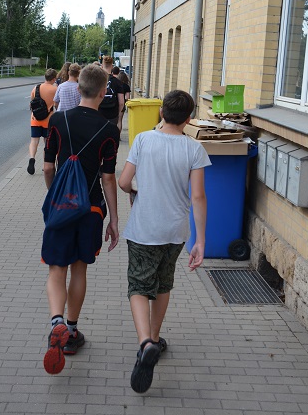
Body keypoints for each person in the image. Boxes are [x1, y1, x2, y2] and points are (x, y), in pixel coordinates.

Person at [118, 90, 211, 393]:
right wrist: (200, 240)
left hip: (144, 228)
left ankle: (145, 342)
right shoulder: (195, 149)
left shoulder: (143, 140)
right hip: (175, 231)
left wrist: (134, 190)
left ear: (161, 113)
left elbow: (124, 181)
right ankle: (155, 339)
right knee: (163, 283)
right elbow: (198, 196)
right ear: (188, 119)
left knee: (138, 285)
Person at [42, 64, 120, 375]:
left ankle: (56, 323)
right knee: (79, 269)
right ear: (103, 92)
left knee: (56, 268)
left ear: (77, 89)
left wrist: (54, 196)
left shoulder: (57, 120)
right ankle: (72, 332)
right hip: (90, 209)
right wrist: (114, 220)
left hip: (61, 208)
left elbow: (48, 167)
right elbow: (109, 178)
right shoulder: (110, 131)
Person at [27, 68, 57, 175]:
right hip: (48, 120)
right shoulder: (55, 89)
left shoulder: (36, 88)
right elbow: (56, 104)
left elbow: (31, 103)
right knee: (47, 143)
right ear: (53, 79)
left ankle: (32, 158)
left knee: (34, 141)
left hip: (35, 119)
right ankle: (45, 165)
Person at [98, 56, 125, 131]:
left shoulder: (97, 81)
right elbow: (121, 103)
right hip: (112, 114)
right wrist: (117, 113)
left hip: (99, 113)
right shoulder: (118, 82)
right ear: (112, 67)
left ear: (102, 66)